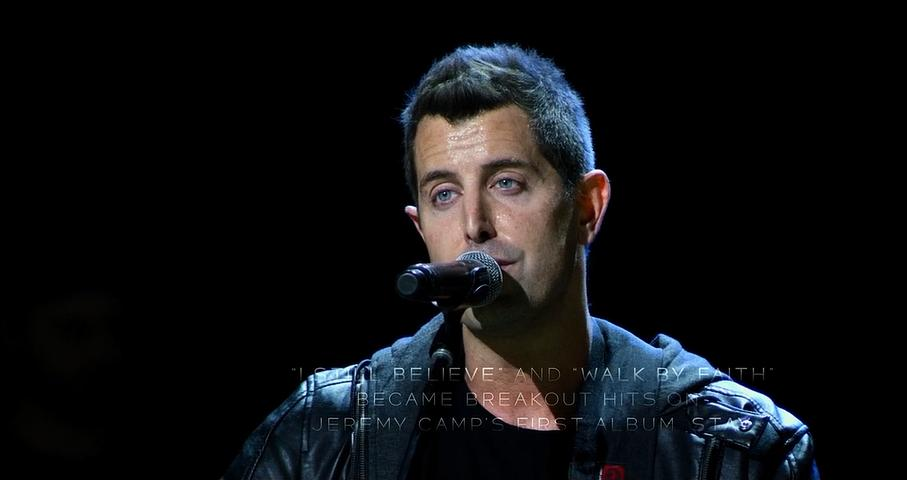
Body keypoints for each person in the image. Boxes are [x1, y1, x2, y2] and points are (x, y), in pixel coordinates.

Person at [225, 44, 819, 480]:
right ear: (419, 228)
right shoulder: (318, 433)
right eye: (444, 194)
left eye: (506, 182)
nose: (474, 225)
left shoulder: (737, 451)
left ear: (587, 207)